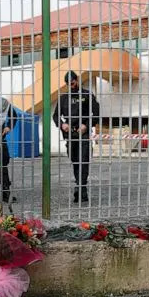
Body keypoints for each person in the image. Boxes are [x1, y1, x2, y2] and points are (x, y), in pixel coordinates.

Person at [52, 71, 100, 203]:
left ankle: (81, 188)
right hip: (71, 135)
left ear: (76, 80)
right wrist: (62, 125)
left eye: (72, 83)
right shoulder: (63, 98)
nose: (71, 85)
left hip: (83, 134)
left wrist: (86, 124)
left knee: (83, 161)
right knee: (75, 161)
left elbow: (96, 113)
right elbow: (55, 116)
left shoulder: (86, 95)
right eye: (68, 84)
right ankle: (80, 186)